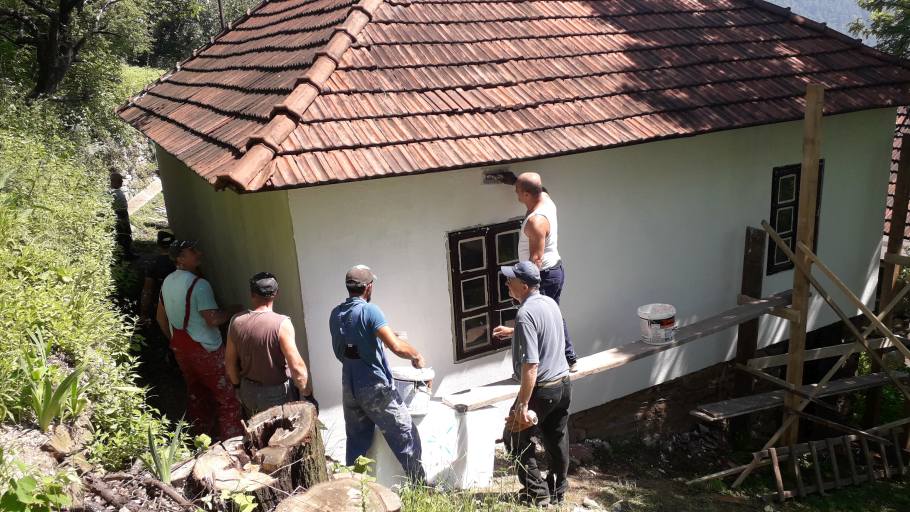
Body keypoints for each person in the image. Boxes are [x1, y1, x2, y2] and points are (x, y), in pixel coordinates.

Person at [329, 265, 427, 482]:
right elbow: (397, 347)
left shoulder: (336, 314)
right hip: (374, 386)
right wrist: (416, 355)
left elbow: (341, 351)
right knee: (405, 433)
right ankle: (420, 485)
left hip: (350, 387)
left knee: (356, 441)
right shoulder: (370, 311)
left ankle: (354, 489)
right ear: (369, 287)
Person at [494, 261, 571, 508]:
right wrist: (513, 331)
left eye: (511, 280)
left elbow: (531, 365)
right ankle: (558, 490)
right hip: (563, 385)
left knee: (514, 436)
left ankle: (537, 493)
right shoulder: (549, 303)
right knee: (556, 436)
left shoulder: (525, 314)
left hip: (542, 389)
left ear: (524, 286)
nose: (507, 283)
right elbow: (544, 329)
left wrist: (523, 405)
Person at [156, 240, 243, 439]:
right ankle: (232, 442)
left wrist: (174, 340)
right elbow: (212, 319)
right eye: (192, 251)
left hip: (181, 350)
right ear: (180, 258)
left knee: (197, 393)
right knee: (227, 398)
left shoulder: (167, 281)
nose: (199, 253)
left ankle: (199, 437)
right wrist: (233, 310)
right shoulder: (199, 285)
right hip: (207, 350)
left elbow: (160, 318)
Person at [495, 172, 578, 371]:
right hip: (554, 270)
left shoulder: (536, 221)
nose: (515, 195)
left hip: (544, 275)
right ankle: (569, 358)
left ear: (526, 194)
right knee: (553, 313)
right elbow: (540, 188)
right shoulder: (546, 199)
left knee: (544, 317)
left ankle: (564, 360)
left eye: (517, 191)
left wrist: (527, 288)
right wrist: (514, 180)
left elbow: (536, 260)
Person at [225, 272, 317, 416]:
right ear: (276, 294)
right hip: (276, 394)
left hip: (248, 390)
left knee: (256, 429)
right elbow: (297, 367)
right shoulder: (281, 324)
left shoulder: (236, 321)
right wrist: (308, 396)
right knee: (282, 430)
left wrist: (237, 387)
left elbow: (230, 364)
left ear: (252, 294)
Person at [140, 231, 176, 326]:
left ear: (158, 245)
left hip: (159, 304)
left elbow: (147, 290)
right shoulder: (180, 261)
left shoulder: (153, 263)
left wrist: (143, 312)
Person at [109, 172, 135, 259]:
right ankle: (122, 256)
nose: (122, 182)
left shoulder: (118, 191)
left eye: (121, 180)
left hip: (124, 215)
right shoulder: (111, 193)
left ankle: (128, 253)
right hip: (119, 217)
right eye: (119, 180)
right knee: (121, 236)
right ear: (113, 181)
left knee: (127, 235)